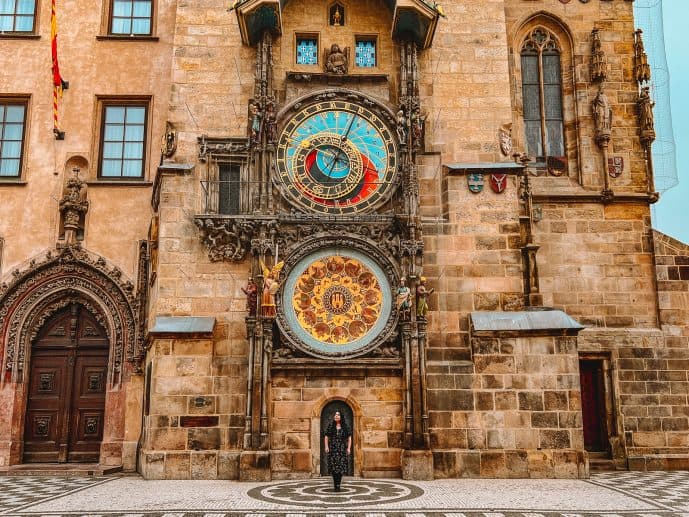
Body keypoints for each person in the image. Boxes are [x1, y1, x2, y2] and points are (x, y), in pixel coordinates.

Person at [323, 411, 351, 491]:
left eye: (338, 415)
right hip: (333, 449)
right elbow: (326, 437)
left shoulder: (345, 427)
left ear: (341, 417)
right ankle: (336, 485)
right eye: (335, 414)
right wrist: (326, 446)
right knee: (334, 467)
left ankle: (338, 484)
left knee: (340, 467)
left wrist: (348, 448)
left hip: (341, 449)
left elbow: (349, 438)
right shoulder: (331, 426)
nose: (336, 416)